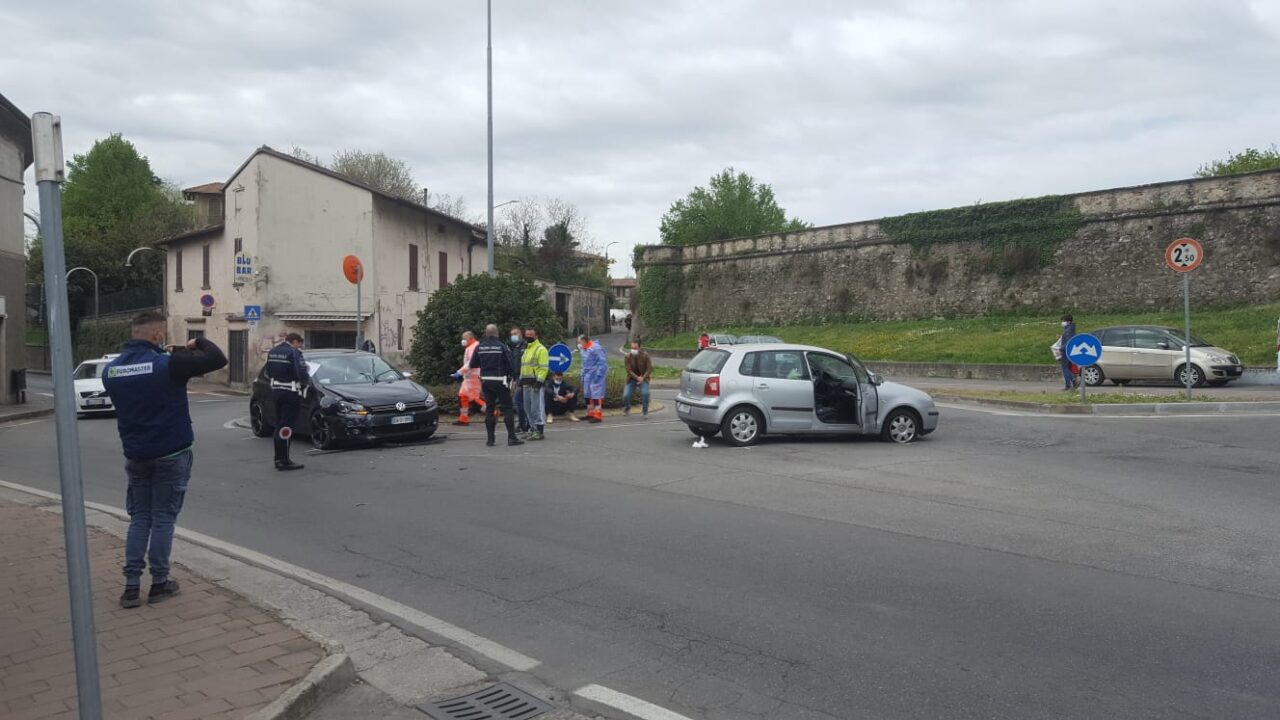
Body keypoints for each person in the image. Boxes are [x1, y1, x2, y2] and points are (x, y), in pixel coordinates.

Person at [102, 311, 227, 608]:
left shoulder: (111, 371)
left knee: (139, 518)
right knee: (163, 519)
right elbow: (217, 358)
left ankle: (131, 586)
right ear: (157, 335)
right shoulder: (168, 364)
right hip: (171, 453)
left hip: (136, 454)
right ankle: (160, 583)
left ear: (134, 333)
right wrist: (194, 342)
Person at [470, 324, 524, 447]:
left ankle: (490, 439)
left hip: (486, 381)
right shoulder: (502, 346)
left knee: (490, 409)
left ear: (486, 333)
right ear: (497, 333)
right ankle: (511, 437)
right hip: (501, 380)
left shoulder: (480, 347)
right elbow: (511, 364)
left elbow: (473, 364)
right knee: (507, 408)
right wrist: (512, 377)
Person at [265, 333, 310, 471]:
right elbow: (300, 372)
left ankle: (277, 457)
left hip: (276, 391)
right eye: (299, 343)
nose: (300, 346)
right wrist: (304, 381)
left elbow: (268, 371)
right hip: (290, 392)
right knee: (286, 427)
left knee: (279, 424)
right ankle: (284, 461)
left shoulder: (273, 351)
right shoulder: (294, 352)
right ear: (295, 341)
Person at [519, 328, 550, 440]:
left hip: (535, 384)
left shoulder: (541, 349)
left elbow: (543, 368)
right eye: (526, 335)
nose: (528, 337)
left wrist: (539, 382)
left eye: (531, 335)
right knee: (528, 408)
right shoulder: (526, 349)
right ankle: (532, 429)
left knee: (537, 409)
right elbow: (524, 367)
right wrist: (520, 380)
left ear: (536, 336)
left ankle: (539, 431)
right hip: (526, 384)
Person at [450, 331, 485, 426]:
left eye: (464, 338)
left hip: (473, 376)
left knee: (473, 398)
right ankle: (463, 418)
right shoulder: (471, 347)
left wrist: (459, 372)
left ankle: (492, 412)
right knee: (463, 396)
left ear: (470, 337)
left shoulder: (474, 347)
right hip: (470, 376)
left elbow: (470, 363)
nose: (463, 341)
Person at [578, 333, 608, 423]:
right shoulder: (584, 349)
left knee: (596, 395)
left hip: (595, 375)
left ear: (583, 341)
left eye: (579, 342)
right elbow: (584, 363)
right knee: (587, 395)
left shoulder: (596, 348)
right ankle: (590, 413)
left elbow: (602, 362)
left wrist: (598, 375)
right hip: (587, 375)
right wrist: (582, 374)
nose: (579, 344)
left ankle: (597, 415)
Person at [622, 340, 653, 417]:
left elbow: (649, 369)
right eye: (632, 348)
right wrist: (637, 377)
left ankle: (645, 411)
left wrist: (643, 377)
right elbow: (628, 370)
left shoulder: (645, 356)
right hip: (631, 379)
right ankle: (627, 408)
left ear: (639, 348)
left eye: (635, 348)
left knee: (646, 393)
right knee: (626, 395)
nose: (633, 350)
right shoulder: (627, 356)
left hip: (643, 379)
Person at [508, 326, 530, 433]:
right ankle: (524, 423)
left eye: (515, 334)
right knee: (519, 401)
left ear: (521, 334)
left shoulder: (525, 346)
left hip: (524, 377)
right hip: (516, 377)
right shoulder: (515, 347)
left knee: (517, 401)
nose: (513, 336)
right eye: (512, 334)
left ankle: (523, 424)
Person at [1058, 314, 1078, 391]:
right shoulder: (1070, 328)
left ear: (1068, 321)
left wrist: (1061, 348)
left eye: (1063, 321)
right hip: (1069, 349)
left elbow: (1069, 341)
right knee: (1066, 367)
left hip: (1066, 350)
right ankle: (1072, 381)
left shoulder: (1068, 330)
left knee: (1064, 367)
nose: (1062, 322)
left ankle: (1070, 383)